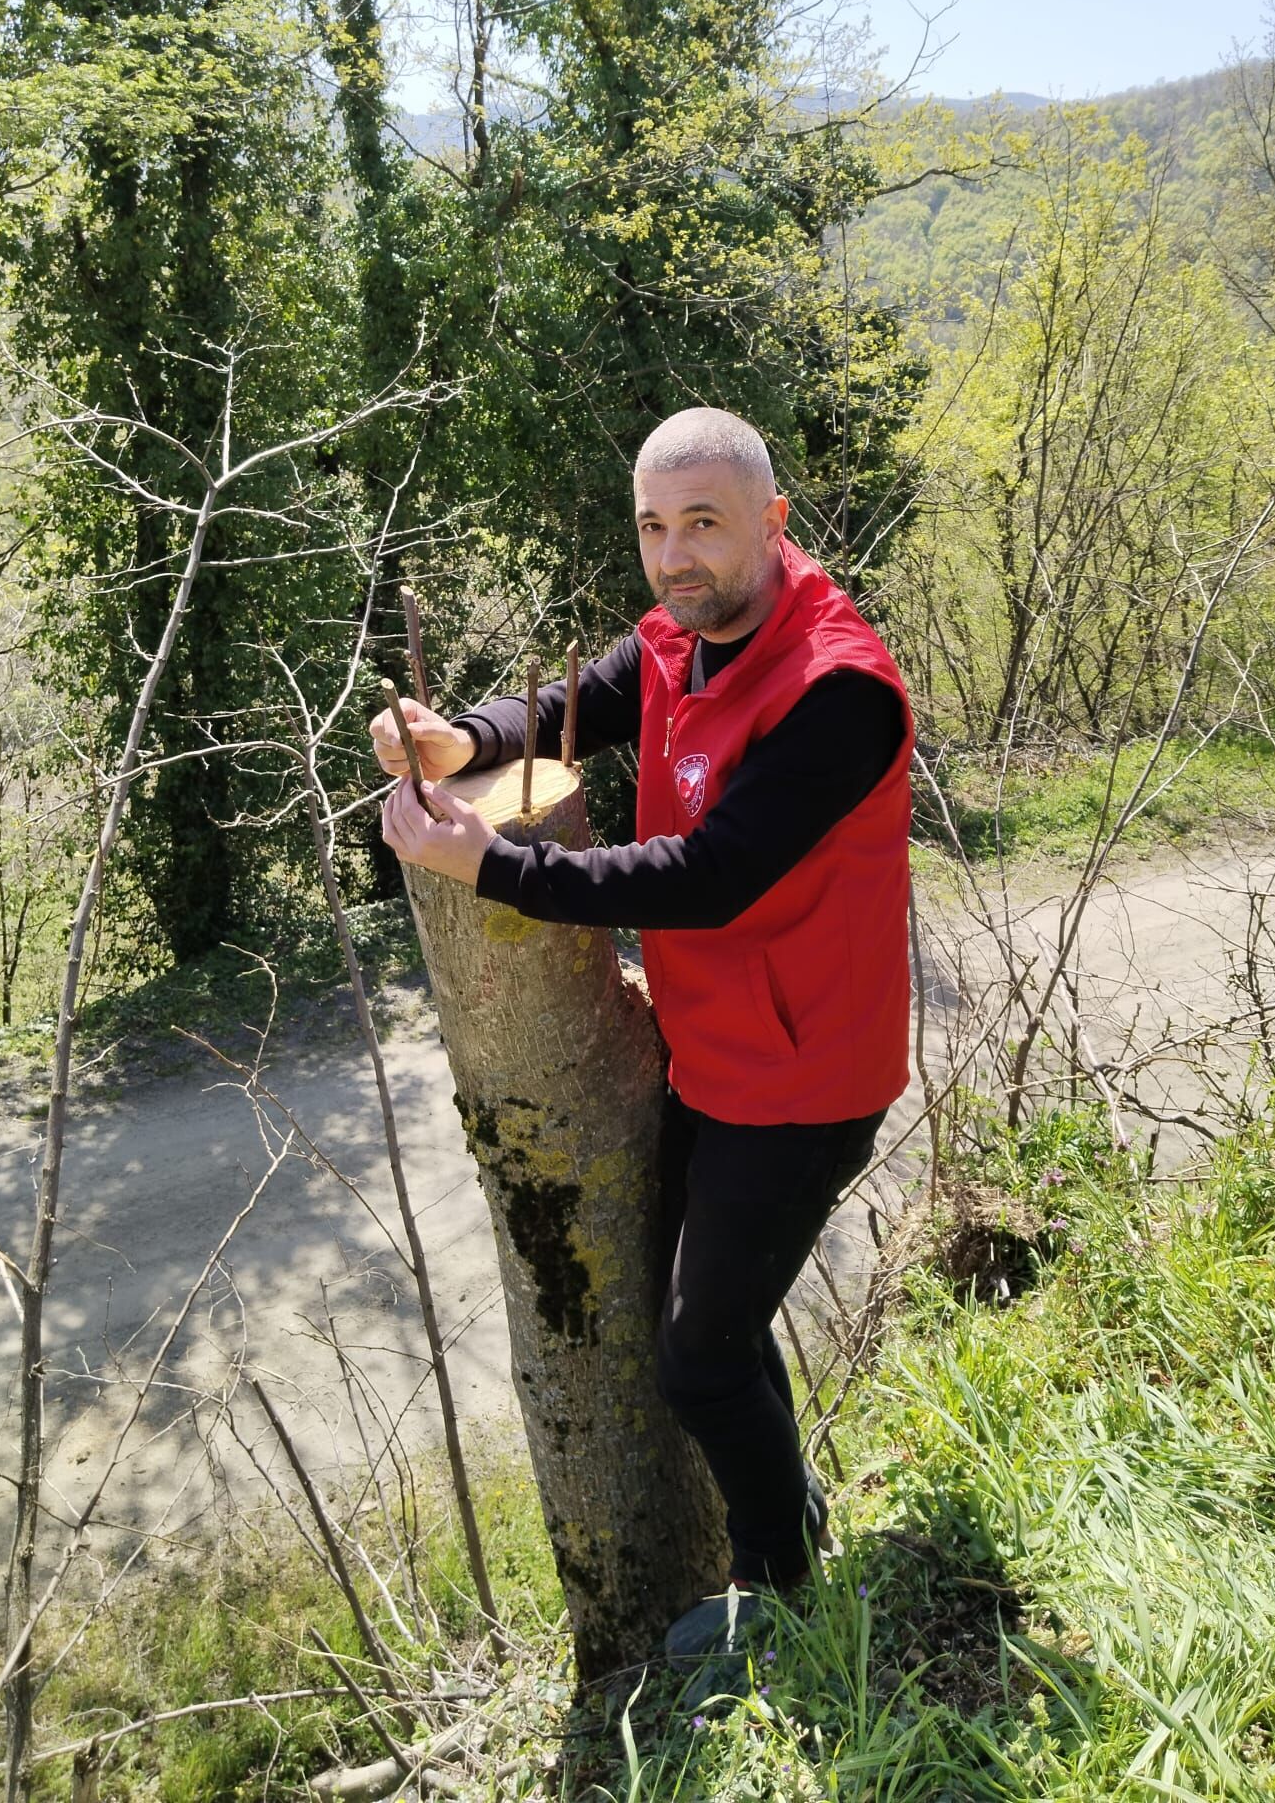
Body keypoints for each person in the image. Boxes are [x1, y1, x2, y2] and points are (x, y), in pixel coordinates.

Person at [371, 407, 913, 1657]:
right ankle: (790, 1517)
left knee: (698, 1362)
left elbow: (712, 874)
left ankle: (781, 1596)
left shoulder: (839, 692)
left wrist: (495, 865)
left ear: (774, 524)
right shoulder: (686, 630)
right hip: (712, 1053)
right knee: (713, 1325)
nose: (675, 556)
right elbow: (588, 695)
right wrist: (477, 738)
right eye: (654, 527)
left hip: (804, 1079)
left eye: (706, 525)